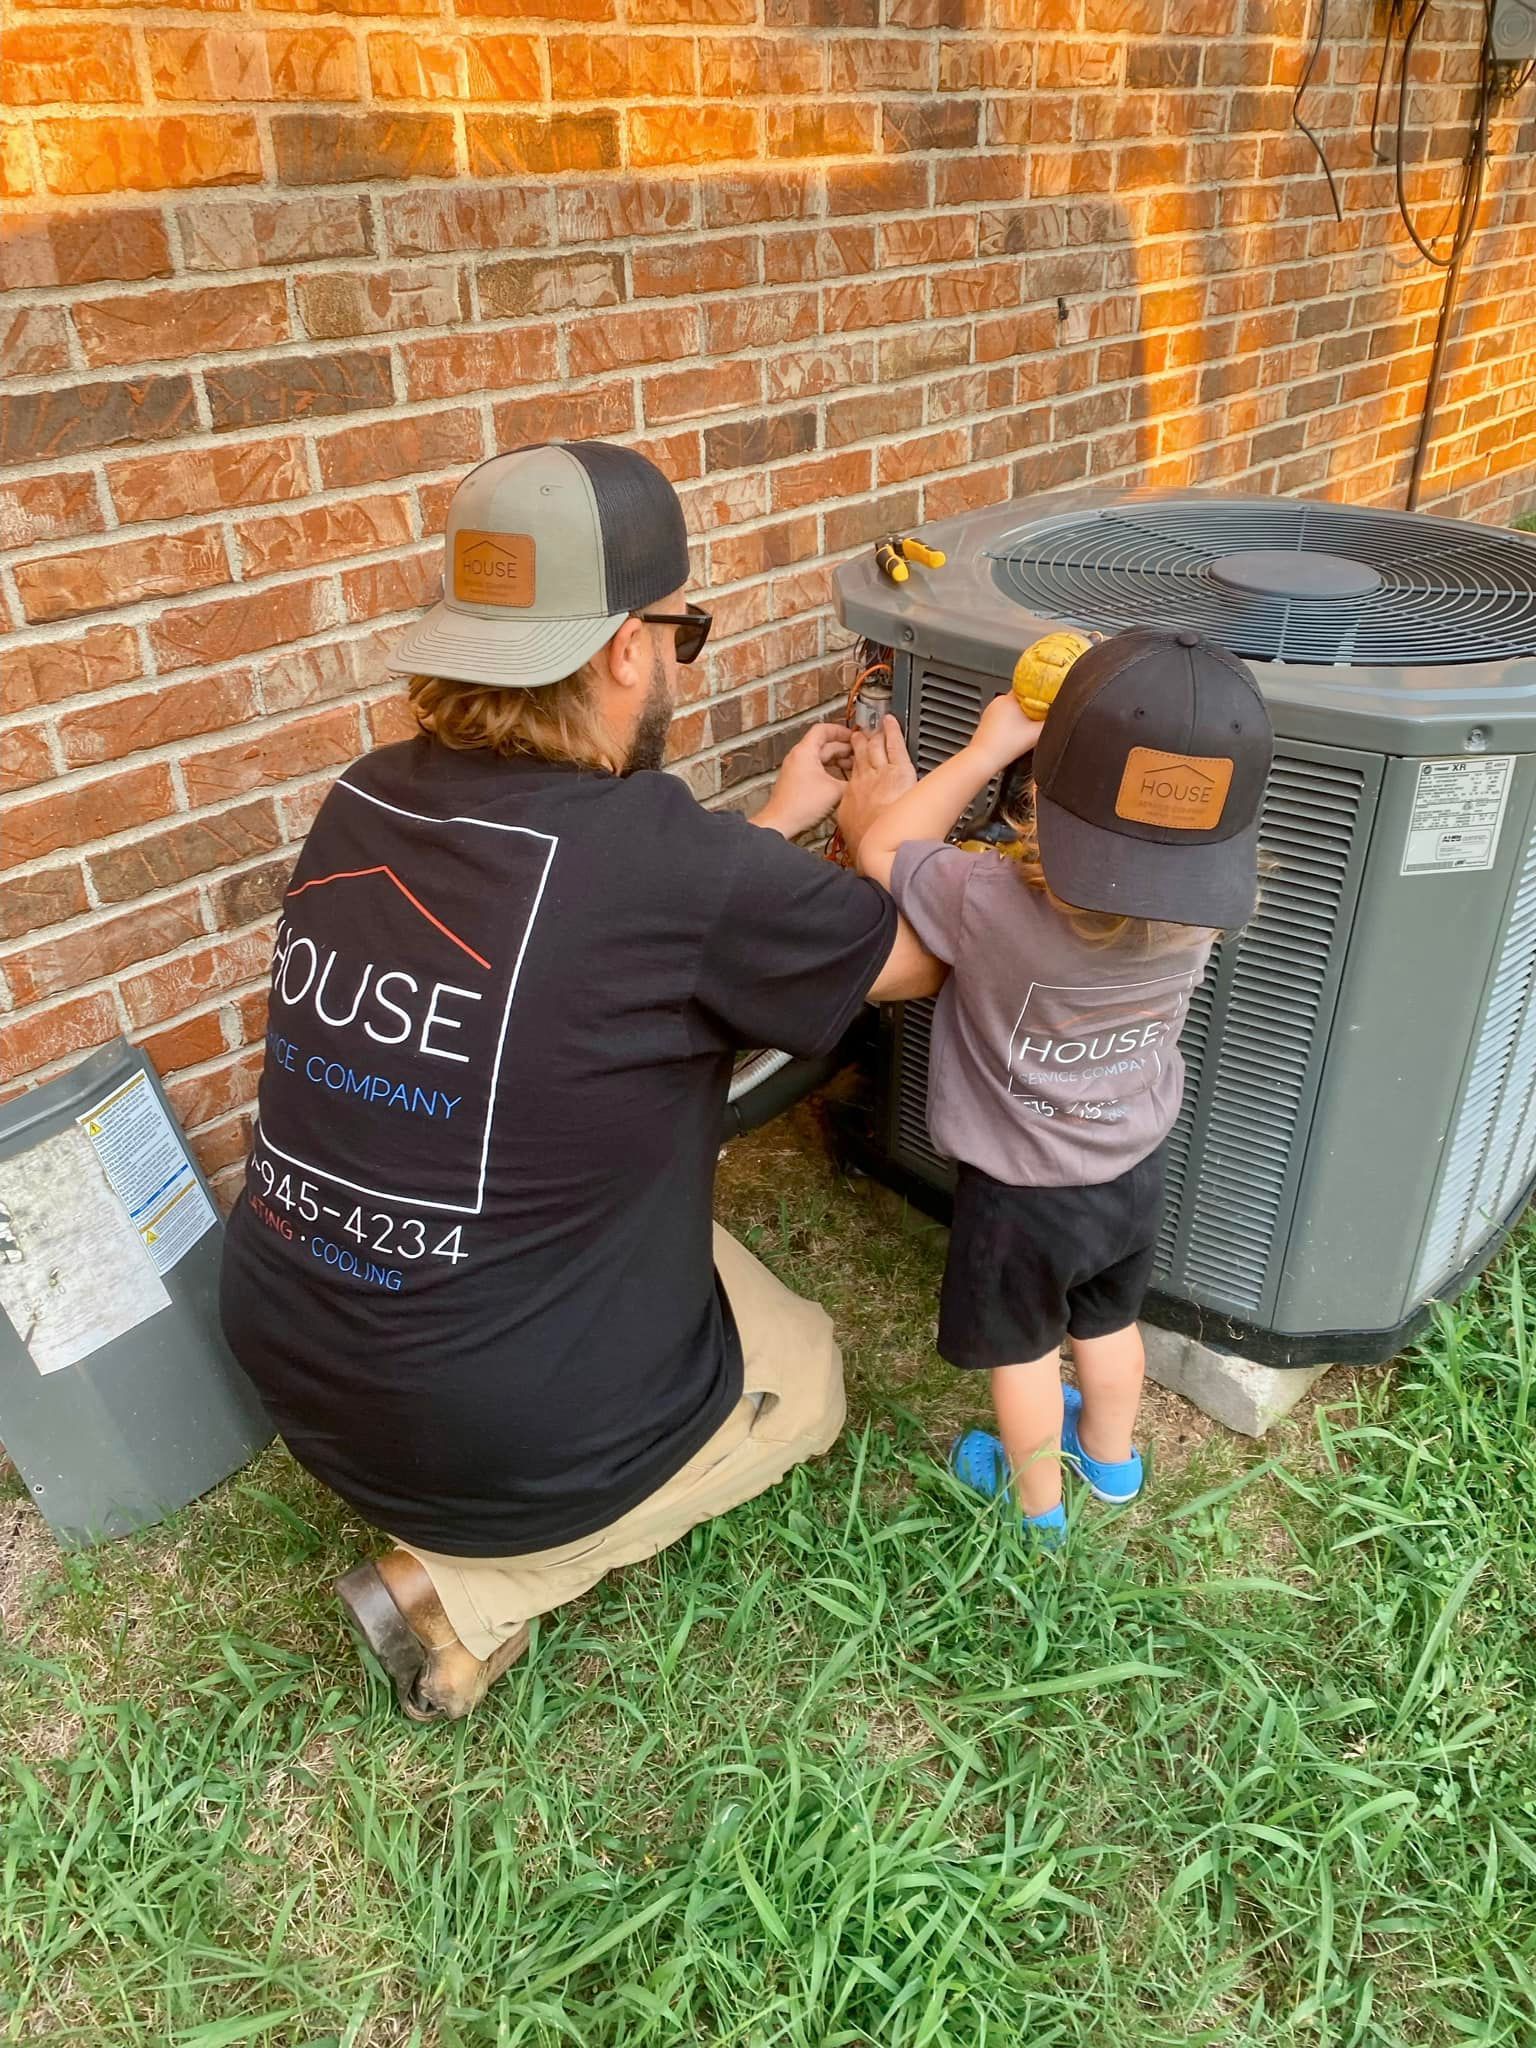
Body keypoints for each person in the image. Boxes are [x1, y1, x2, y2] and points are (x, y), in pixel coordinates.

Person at [220, 440, 940, 1720]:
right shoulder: (672, 867)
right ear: (623, 647)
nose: (674, 659)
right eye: (681, 632)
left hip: (295, 1347)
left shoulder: (362, 801)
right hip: (480, 1426)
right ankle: (463, 1584)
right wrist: (882, 835)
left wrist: (767, 829)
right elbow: (917, 962)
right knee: (809, 1376)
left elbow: (587, 920)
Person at [852, 627, 1273, 1538]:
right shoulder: (1198, 917)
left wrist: (985, 748)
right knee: (1109, 1328)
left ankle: (1038, 1510)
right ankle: (1113, 1464)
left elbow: (883, 847)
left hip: (1020, 1196)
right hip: (1130, 1169)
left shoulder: (988, 899)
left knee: (1027, 1354)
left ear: (1045, 789)